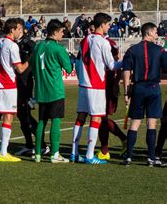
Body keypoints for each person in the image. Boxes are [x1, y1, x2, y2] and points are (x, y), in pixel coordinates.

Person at [71, 13, 123, 164]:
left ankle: (74, 153)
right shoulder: (103, 42)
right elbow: (112, 65)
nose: (109, 27)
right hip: (96, 85)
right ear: (102, 24)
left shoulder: (85, 40)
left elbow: (79, 62)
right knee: (96, 118)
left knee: (81, 117)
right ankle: (89, 155)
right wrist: (127, 61)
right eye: (108, 24)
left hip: (83, 84)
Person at [122, 22, 167, 167]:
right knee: (151, 123)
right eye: (155, 32)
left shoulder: (132, 50)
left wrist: (126, 91)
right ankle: (151, 157)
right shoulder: (160, 51)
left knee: (134, 122)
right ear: (148, 32)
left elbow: (126, 71)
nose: (157, 35)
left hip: (138, 88)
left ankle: (128, 156)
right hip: (153, 88)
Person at [31, 19, 74, 163]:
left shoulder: (38, 46)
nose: (63, 34)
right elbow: (68, 68)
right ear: (55, 32)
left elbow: (32, 66)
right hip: (55, 90)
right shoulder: (58, 48)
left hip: (41, 90)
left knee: (42, 121)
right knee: (56, 121)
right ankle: (55, 154)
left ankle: (37, 153)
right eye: (62, 31)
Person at [0, 18, 29, 162]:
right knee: (9, 116)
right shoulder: (12, 46)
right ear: (12, 29)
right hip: (8, 85)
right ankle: (4, 153)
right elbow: (20, 69)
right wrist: (31, 58)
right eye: (19, 30)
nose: (20, 33)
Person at [14, 23, 49, 157]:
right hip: (17, 82)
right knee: (21, 114)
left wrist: (28, 66)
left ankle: (43, 145)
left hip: (26, 83)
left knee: (26, 114)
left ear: (21, 29)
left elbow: (38, 57)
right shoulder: (14, 43)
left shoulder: (29, 43)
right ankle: (29, 145)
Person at [96, 36, 127, 160]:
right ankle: (107, 148)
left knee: (101, 117)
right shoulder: (90, 41)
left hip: (107, 86)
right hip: (97, 86)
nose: (91, 31)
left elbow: (116, 62)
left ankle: (105, 150)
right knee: (99, 118)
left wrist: (115, 84)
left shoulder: (110, 43)